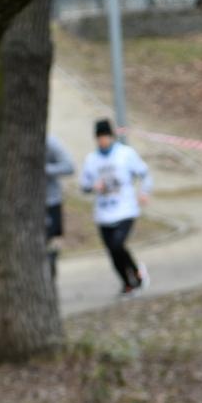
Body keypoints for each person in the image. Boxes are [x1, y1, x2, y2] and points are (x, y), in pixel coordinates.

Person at [80, 118, 153, 296]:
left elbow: (144, 173)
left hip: (125, 209)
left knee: (117, 245)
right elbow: (84, 185)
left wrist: (144, 192)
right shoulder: (91, 159)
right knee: (112, 252)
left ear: (111, 136)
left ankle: (137, 272)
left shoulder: (125, 154)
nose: (103, 141)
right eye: (99, 137)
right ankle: (128, 283)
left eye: (105, 136)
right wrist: (93, 187)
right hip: (103, 212)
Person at [45, 134, 74, 281]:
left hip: (51, 201)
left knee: (51, 241)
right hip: (25, 206)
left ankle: (50, 273)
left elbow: (69, 166)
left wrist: (45, 169)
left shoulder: (50, 143)